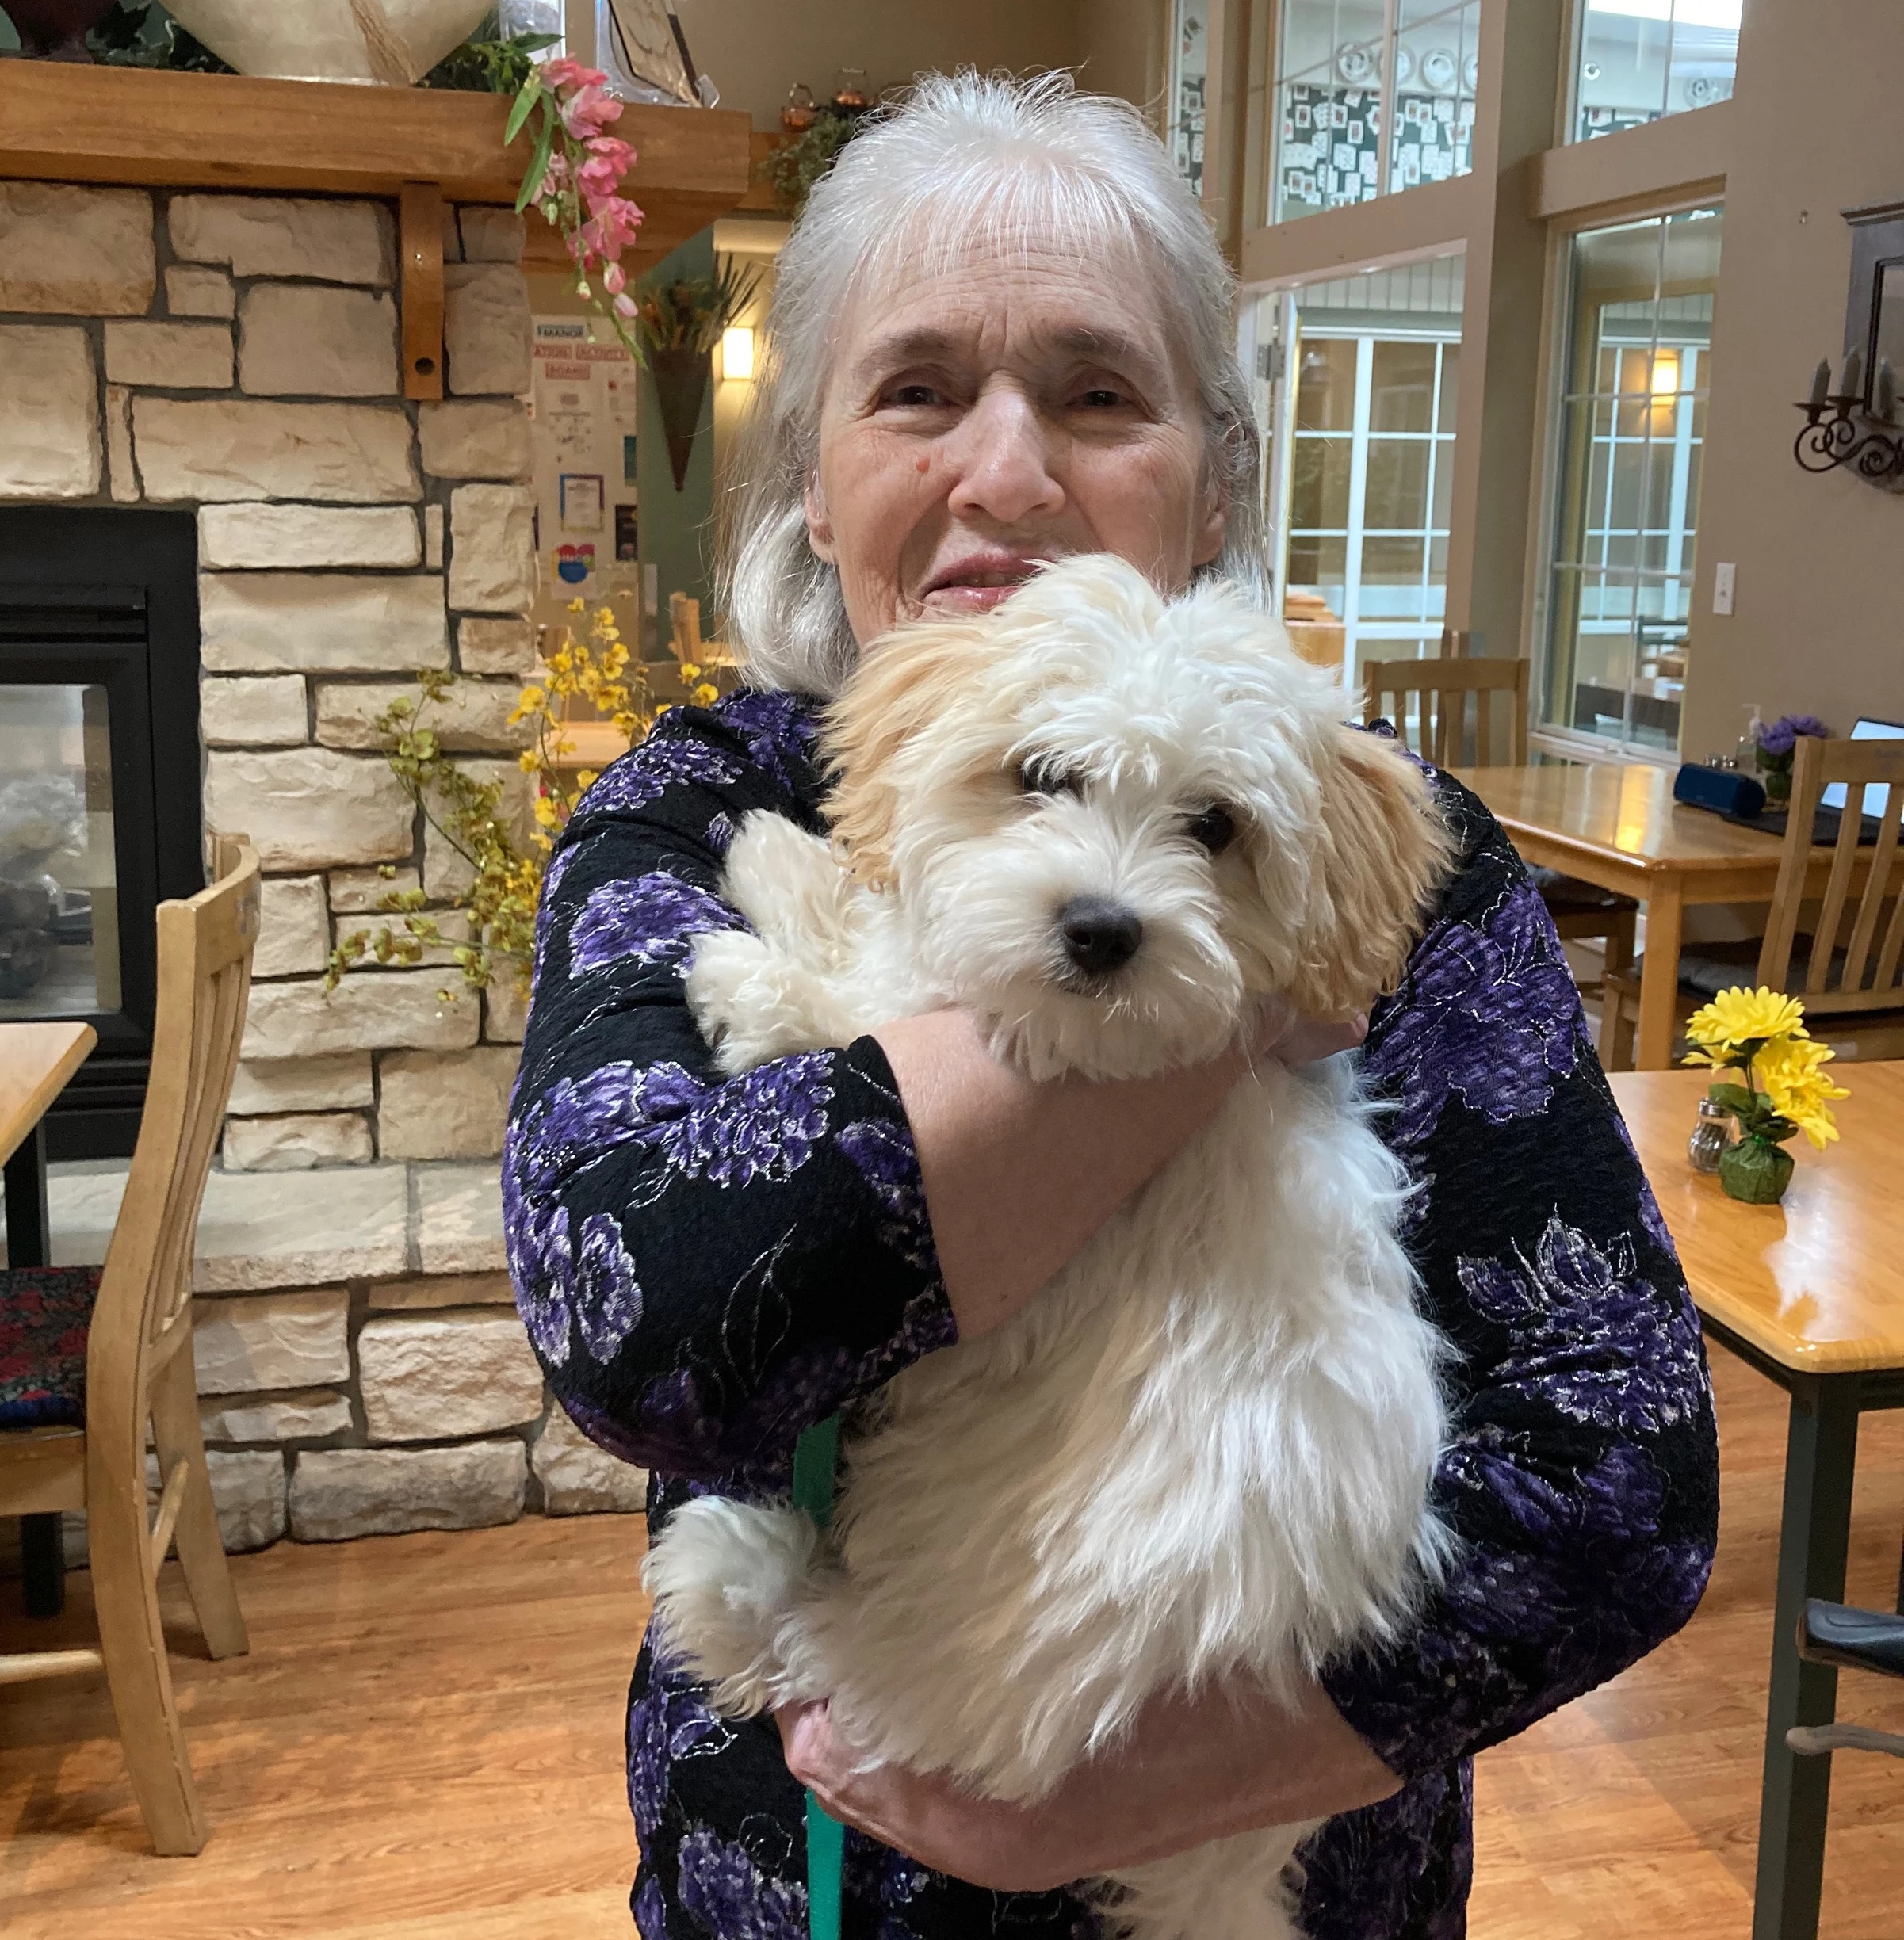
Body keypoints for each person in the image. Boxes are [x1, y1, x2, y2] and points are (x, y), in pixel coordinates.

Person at [503, 71, 1718, 1940]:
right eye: (916, 390)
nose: (1005, 473)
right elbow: (650, 1324)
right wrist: (1220, 981)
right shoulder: (699, 812)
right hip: (807, 1860)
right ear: (814, 484)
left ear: (1215, 473)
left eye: (1098, 393)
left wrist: (1131, 1791)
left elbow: (1623, 1476)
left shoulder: (1395, 845)